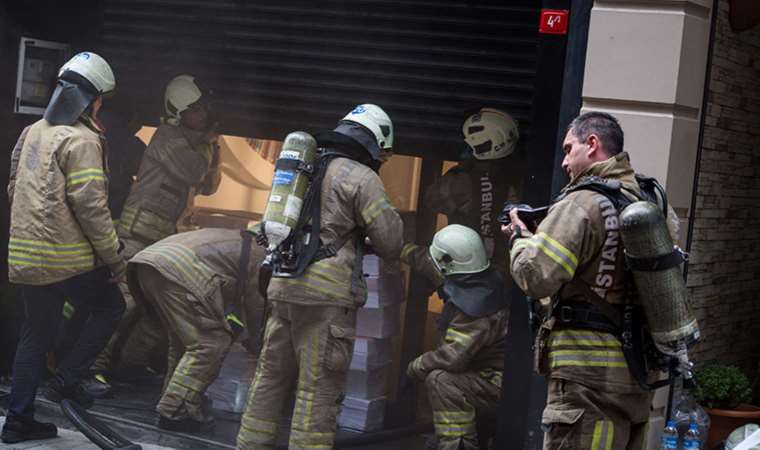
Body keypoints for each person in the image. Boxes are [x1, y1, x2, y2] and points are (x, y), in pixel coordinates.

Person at [504, 112, 678, 449]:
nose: (565, 162)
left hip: (586, 379)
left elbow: (535, 276)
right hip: (635, 376)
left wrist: (519, 238)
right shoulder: (648, 202)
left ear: (593, 144)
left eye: (569, 149)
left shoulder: (582, 201)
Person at [236, 104, 404, 450]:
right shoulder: (362, 177)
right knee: (318, 388)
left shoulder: (304, 167)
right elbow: (391, 241)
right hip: (326, 297)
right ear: (373, 145)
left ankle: (249, 444)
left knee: (269, 377)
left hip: (282, 285)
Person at [1, 52, 126, 444]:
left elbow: (12, 187)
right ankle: (68, 380)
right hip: (65, 262)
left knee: (34, 334)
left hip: (23, 255)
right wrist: (113, 258)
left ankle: (18, 420)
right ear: (94, 99)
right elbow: (91, 207)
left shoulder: (32, 131)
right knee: (111, 305)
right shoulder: (84, 139)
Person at [86, 74, 222, 395]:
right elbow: (193, 171)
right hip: (138, 234)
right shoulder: (167, 138)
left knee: (160, 308)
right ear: (179, 112)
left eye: (205, 108)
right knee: (125, 304)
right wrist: (209, 142)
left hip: (164, 239)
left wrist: (212, 143)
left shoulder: (197, 143)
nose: (204, 113)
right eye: (197, 109)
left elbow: (210, 185)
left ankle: (131, 366)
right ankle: (90, 367)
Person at [127, 227, 266, 431]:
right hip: (179, 271)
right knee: (210, 343)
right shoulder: (261, 253)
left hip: (147, 264)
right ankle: (175, 410)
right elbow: (256, 305)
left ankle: (177, 395)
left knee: (184, 342)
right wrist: (257, 344)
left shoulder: (237, 237)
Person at [404, 224, 508, 450]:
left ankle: (458, 445)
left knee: (441, 381)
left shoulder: (474, 309)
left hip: (496, 384)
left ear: (447, 264)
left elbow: (452, 358)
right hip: (486, 376)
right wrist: (399, 248)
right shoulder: (478, 276)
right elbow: (430, 262)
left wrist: (415, 367)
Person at [424, 107, 522, 273]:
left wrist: (462, 168)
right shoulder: (518, 174)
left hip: (468, 270)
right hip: (506, 269)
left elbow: (431, 199)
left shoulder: (462, 182)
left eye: (470, 145)